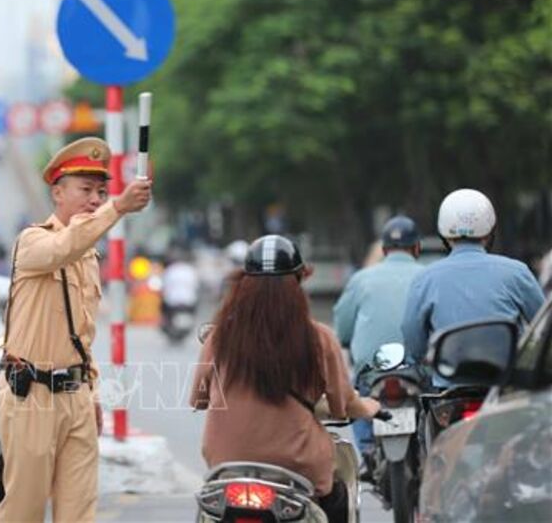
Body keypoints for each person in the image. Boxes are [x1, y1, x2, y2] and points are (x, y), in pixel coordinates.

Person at [0, 136, 152, 523]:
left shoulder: (88, 256)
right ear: (57, 193)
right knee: (24, 512)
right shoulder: (32, 242)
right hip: (31, 393)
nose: (95, 199)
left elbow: (82, 334)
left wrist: (92, 393)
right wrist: (118, 207)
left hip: (76, 396)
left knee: (79, 513)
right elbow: (63, 247)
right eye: (85, 190)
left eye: (102, 192)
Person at [189, 235, 383, 523]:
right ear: (299, 281)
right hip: (297, 466)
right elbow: (342, 405)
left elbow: (198, 398)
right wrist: (371, 407)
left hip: (226, 462)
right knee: (338, 497)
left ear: (245, 284)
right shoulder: (319, 338)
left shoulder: (220, 336)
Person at [401, 189, 546, 381]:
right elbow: (544, 327)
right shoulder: (517, 272)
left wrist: (419, 361)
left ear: (444, 233)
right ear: (490, 230)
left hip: (448, 390)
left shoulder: (425, 279)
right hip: (506, 387)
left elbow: (413, 343)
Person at [333, 215, 425, 460]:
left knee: (358, 396)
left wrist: (349, 342)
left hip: (373, 369)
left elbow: (342, 327)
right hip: (417, 368)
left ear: (384, 250)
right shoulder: (429, 277)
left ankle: (366, 450)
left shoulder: (361, 279)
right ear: (417, 248)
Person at [161, 250, 200, 323]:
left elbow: (164, 286)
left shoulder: (170, 270)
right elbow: (196, 286)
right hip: (189, 301)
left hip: (172, 302)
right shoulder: (191, 270)